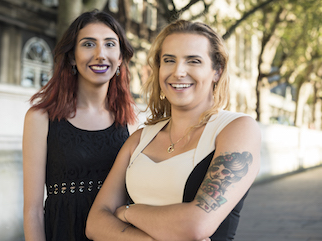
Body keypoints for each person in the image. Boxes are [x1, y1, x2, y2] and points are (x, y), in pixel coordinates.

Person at [86, 19, 261, 241]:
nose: (178, 72)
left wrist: (125, 212)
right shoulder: (140, 138)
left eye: (193, 61)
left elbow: (196, 225)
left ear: (217, 71)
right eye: (169, 60)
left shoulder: (237, 128)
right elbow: (94, 223)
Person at [22, 10, 137, 241]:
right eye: (88, 44)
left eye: (109, 44)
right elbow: (32, 211)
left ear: (121, 57)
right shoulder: (41, 118)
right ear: (72, 57)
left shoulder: (130, 120)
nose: (100, 54)